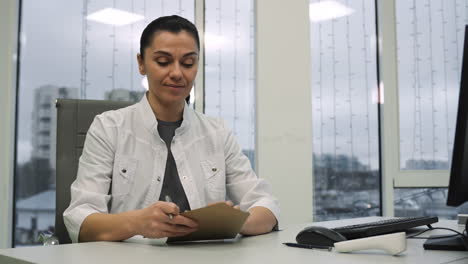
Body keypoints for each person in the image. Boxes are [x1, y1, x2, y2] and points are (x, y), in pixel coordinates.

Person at [63, 15, 279, 243]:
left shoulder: (217, 132)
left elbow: (266, 206)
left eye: (188, 63)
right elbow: (80, 220)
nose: (177, 73)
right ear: (141, 63)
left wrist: (232, 221)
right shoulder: (108, 128)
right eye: (163, 62)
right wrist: (137, 222)